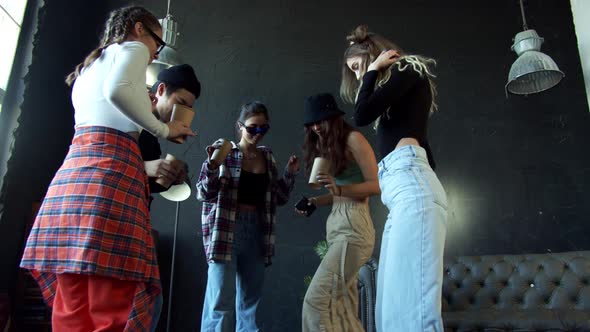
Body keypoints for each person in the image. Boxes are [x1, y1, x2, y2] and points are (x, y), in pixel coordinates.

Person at [20, 6, 194, 331]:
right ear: (140, 30)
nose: (157, 50)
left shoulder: (90, 66)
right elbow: (118, 92)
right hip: (110, 181)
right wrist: (166, 131)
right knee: (112, 303)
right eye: (157, 41)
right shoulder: (132, 48)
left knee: (72, 307)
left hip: (73, 179)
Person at [340, 24, 447, 331]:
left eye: (360, 66)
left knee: (414, 310)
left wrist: (373, 70)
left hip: (411, 183)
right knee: (389, 309)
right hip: (402, 189)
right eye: (356, 71)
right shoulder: (396, 96)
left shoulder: (408, 69)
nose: (361, 75)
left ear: (376, 55)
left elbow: (361, 115)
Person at [196, 101, 299, 332]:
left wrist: (289, 175)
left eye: (263, 129)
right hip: (226, 230)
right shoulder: (223, 152)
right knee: (219, 301)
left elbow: (278, 198)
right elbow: (203, 193)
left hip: (257, 232)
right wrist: (213, 165)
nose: (257, 134)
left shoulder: (268, 158)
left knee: (251, 304)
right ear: (240, 126)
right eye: (253, 128)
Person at [296, 93, 379, 331]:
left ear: (333, 118)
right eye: (311, 124)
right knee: (342, 309)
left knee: (316, 302)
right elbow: (339, 194)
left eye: (319, 121)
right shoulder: (329, 144)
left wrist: (340, 188)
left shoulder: (354, 139)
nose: (315, 127)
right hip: (338, 226)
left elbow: (376, 185)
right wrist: (316, 201)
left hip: (354, 229)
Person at [139, 63, 201, 332]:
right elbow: (104, 160)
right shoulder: (130, 120)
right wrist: (147, 167)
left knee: (150, 303)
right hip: (111, 218)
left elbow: (148, 184)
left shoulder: (151, 136)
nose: (183, 114)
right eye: (180, 103)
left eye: (189, 108)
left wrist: (171, 175)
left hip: (137, 219)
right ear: (160, 90)